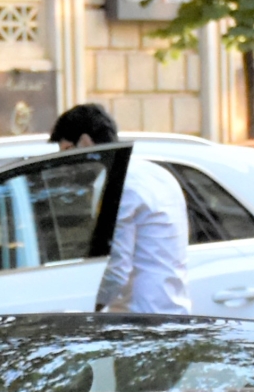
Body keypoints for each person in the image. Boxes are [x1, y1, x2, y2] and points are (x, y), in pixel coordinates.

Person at [48, 103, 191, 315]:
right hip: (175, 310)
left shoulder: (118, 184)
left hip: (140, 321)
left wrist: (89, 311)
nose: (67, 165)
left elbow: (116, 270)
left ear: (86, 142)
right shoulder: (158, 175)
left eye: (68, 151)